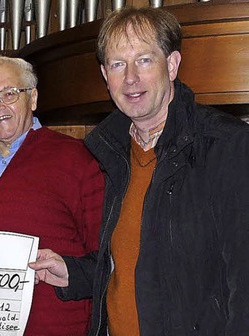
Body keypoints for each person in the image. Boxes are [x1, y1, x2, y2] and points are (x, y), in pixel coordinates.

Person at [32, 6, 249, 335]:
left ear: (172, 65)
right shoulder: (111, 153)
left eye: (144, 60)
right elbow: (139, 262)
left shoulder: (226, 145)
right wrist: (72, 272)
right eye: (118, 64)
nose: (130, 78)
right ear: (106, 77)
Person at [0, 53, 105, 335]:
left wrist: (69, 270)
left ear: (32, 98)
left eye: (9, 94)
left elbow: (107, 260)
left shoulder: (77, 159)